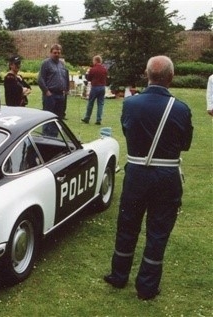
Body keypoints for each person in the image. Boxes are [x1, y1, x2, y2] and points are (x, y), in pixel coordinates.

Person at [104, 56, 193, 300]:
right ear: (171, 77)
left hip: (136, 173)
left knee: (127, 226)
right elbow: (185, 145)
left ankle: (118, 276)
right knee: (158, 231)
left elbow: (127, 130)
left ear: (147, 74)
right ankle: (147, 286)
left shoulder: (131, 104)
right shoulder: (181, 108)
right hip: (166, 176)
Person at [38, 44, 69, 122]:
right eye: (55, 53)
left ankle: (54, 134)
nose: (57, 55)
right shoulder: (46, 63)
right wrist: (46, 91)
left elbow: (65, 76)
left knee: (58, 119)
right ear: (51, 53)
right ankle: (47, 134)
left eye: (58, 53)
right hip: (50, 95)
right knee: (48, 119)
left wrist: (66, 89)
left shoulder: (61, 64)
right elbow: (40, 79)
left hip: (60, 95)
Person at [81, 55, 108, 125]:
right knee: (100, 104)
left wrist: (88, 75)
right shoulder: (104, 69)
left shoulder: (93, 69)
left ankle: (87, 118)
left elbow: (89, 78)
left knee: (91, 103)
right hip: (102, 87)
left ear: (95, 61)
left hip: (95, 87)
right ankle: (98, 119)